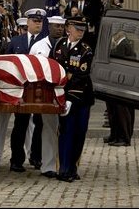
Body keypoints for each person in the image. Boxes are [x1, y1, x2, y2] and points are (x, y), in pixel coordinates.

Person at [51, 16, 95, 182]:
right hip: (63, 95)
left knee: (79, 132)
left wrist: (70, 98)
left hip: (81, 97)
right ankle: (63, 169)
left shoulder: (85, 50)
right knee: (65, 132)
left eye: (83, 30)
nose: (81, 33)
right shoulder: (59, 46)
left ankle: (72, 167)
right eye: (78, 29)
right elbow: (54, 69)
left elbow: (81, 76)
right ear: (68, 28)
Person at [6, 8, 47, 172]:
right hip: (20, 90)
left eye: (40, 21)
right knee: (20, 125)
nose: (38, 24)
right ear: (28, 22)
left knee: (39, 124)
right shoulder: (16, 42)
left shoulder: (46, 41)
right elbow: (7, 62)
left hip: (39, 90)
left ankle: (36, 157)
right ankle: (16, 160)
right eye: (35, 21)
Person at [29, 15, 66, 178]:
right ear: (49, 27)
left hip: (64, 91)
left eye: (61, 26)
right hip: (44, 92)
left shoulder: (67, 45)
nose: (59, 29)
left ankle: (64, 162)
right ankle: (48, 165)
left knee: (63, 129)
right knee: (49, 128)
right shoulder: (39, 45)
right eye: (56, 26)